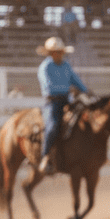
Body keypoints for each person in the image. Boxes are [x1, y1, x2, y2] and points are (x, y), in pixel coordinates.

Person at [35, 36, 89, 174]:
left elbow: (75, 80)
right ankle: (45, 157)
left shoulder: (66, 66)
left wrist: (86, 91)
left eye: (61, 52)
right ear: (51, 53)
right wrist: (69, 89)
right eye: (57, 52)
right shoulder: (45, 67)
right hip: (52, 103)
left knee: (82, 121)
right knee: (52, 127)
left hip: (66, 101)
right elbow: (49, 86)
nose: (60, 54)